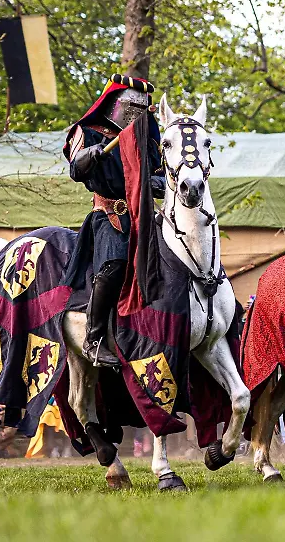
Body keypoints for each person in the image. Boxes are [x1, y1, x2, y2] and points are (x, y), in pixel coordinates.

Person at [63, 74, 163, 367]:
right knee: (114, 265)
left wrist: (158, 184)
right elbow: (75, 170)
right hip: (110, 214)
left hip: (143, 214)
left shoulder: (144, 138)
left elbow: (159, 175)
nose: (136, 113)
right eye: (131, 105)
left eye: (141, 108)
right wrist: (88, 155)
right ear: (114, 102)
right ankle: (93, 340)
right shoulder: (89, 131)